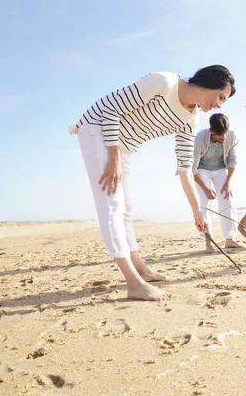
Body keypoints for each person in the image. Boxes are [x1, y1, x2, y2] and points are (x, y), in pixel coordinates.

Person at [70, 65, 236, 300]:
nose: (219, 104)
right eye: (221, 96)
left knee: (126, 209)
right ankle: (133, 283)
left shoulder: (190, 120)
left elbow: (185, 169)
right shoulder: (164, 82)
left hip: (123, 145)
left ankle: (141, 270)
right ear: (208, 82)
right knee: (111, 206)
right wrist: (113, 157)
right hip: (97, 129)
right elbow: (111, 110)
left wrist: (197, 213)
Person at [192, 113, 243, 252]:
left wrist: (228, 183)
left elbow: (233, 161)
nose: (224, 138)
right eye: (220, 135)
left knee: (227, 200)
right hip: (201, 169)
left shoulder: (231, 136)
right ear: (211, 131)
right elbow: (193, 169)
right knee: (205, 203)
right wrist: (206, 189)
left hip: (220, 167)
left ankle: (230, 239)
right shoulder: (199, 139)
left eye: (225, 133)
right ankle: (208, 240)